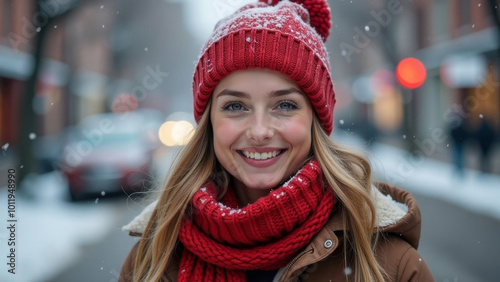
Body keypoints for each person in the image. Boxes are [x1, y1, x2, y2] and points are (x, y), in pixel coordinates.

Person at [119, 0, 434, 281]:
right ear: (209, 123)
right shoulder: (153, 260)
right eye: (235, 106)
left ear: (315, 120)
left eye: (285, 105)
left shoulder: (389, 265)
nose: (259, 131)